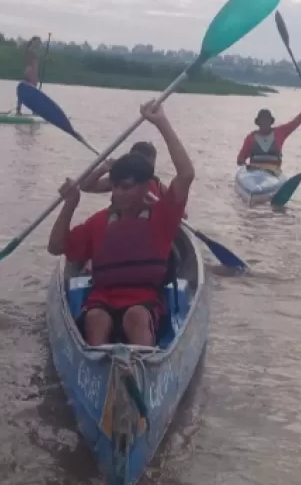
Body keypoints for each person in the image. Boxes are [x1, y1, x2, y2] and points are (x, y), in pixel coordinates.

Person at [47, 100, 195, 346]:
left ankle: (140, 367)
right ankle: (99, 367)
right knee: (95, 318)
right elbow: (55, 247)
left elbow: (186, 174)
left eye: (126, 187)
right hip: (102, 298)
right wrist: (69, 204)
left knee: (136, 316)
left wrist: (161, 122)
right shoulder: (99, 222)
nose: (118, 193)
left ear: (143, 186)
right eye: (115, 187)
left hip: (144, 299)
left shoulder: (161, 217)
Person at [80, 141, 186, 218]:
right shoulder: (119, 181)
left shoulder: (159, 187)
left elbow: (182, 215)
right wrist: (102, 170)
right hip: (117, 224)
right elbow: (85, 186)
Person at [236, 102, 301, 173]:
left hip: (274, 174)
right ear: (258, 123)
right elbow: (240, 159)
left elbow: (295, 122)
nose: (264, 123)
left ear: (271, 122)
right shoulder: (250, 138)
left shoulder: (280, 132)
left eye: (267, 120)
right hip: (255, 174)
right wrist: (244, 164)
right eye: (262, 121)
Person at [16, 36, 42, 114]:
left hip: (33, 73)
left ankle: (32, 110)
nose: (38, 44)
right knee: (29, 92)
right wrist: (31, 72)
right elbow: (30, 62)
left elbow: (36, 62)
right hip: (30, 73)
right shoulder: (30, 50)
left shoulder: (33, 51)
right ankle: (20, 109)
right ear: (33, 41)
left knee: (32, 93)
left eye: (39, 43)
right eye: (37, 42)